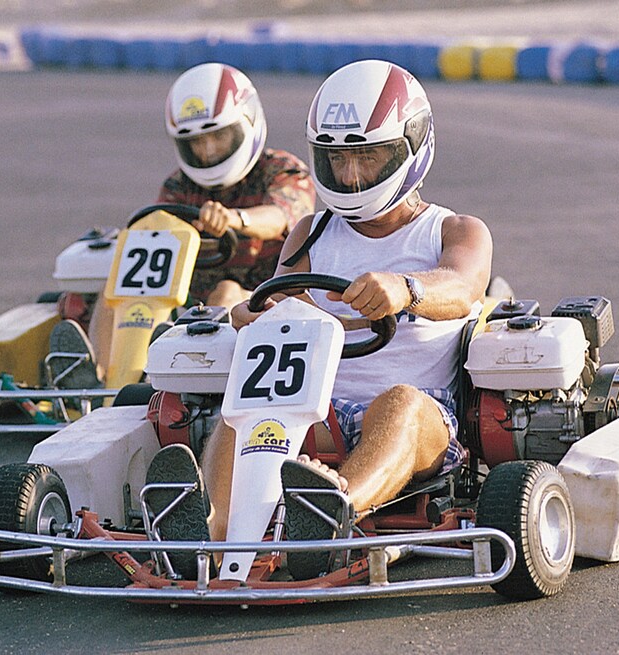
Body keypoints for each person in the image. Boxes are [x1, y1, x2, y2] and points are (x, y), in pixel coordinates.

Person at [145, 59, 494, 580]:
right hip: (311, 411)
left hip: (417, 418)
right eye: (338, 160)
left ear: (410, 147)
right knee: (242, 408)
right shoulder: (310, 231)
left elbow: (464, 288)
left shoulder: (454, 230)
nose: (352, 176)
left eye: (368, 157)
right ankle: (207, 534)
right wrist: (251, 312)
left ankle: (332, 513)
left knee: (399, 403)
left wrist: (407, 289)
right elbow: (280, 302)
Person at [51, 63, 315, 388]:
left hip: (259, 300)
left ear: (246, 122)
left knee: (226, 291)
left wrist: (235, 219)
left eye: (218, 136)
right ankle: (102, 382)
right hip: (186, 299)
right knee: (114, 290)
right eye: (196, 142)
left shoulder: (283, 171)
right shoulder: (178, 186)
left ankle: (178, 380)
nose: (207, 151)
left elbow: (282, 216)